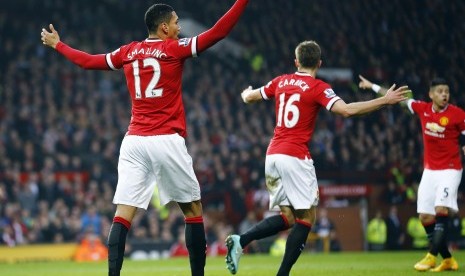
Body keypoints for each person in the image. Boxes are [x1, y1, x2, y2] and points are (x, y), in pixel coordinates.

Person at [40, 1, 249, 275]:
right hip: (166, 139)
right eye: (175, 22)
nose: (179, 27)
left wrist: (59, 45)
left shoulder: (129, 51)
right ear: (164, 27)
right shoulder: (174, 49)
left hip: (134, 142)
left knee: (123, 214)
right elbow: (218, 32)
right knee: (193, 210)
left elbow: (89, 62)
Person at [224, 40, 409, 276]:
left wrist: (245, 93)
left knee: (288, 216)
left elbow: (250, 97)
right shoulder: (318, 87)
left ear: (296, 62)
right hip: (295, 156)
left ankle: (241, 240)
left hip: (272, 155)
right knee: (306, 218)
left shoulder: (280, 81)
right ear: (319, 63)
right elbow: (347, 110)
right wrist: (385, 100)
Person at [359, 75, 462, 272]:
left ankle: (431, 256)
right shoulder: (422, 109)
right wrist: (371, 85)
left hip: (450, 169)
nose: (444, 95)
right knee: (425, 217)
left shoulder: (457, 114)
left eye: (447, 92)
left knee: (441, 210)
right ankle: (448, 259)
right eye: (440, 92)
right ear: (431, 95)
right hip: (430, 171)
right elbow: (399, 99)